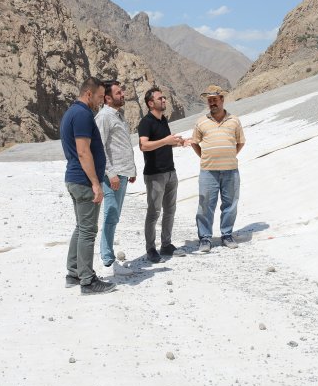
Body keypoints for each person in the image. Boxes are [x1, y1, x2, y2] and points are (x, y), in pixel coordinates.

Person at [59, 77, 116, 295]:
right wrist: (95, 183)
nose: (101, 102)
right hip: (83, 181)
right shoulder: (82, 114)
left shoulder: (72, 112)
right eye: (100, 97)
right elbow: (83, 151)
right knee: (88, 231)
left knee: (80, 227)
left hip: (74, 178)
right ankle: (87, 281)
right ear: (88, 94)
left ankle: (73, 272)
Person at [190, 85, 246, 253]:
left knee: (230, 204)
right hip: (208, 171)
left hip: (231, 170)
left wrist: (229, 155)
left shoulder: (234, 120)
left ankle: (227, 234)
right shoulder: (201, 121)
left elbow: (240, 141)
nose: (212, 103)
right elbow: (194, 142)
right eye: (209, 100)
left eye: (215, 99)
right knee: (206, 204)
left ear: (222, 100)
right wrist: (206, 157)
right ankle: (205, 238)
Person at [138, 86, 187, 263]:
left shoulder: (163, 120)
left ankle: (166, 245)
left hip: (170, 172)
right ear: (151, 103)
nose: (164, 100)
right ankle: (150, 248)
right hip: (155, 175)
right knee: (154, 212)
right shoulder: (146, 122)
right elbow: (144, 145)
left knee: (170, 210)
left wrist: (177, 142)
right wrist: (166, 140)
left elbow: (163, 144)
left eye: (164, 98)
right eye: (160, 98)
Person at [95, 80, 137, 274]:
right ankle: (108, 260)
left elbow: (123, 145)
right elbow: (99, 148)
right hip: (112, 176)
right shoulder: (104, 116)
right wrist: (111, 174)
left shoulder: (118, 115)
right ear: (108, 98)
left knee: (114, 215)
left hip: (122, 173)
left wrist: (131, 170)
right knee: (111, 214)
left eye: (122, 91)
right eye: (119, 92)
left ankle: (108, 256)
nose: (123, 94)